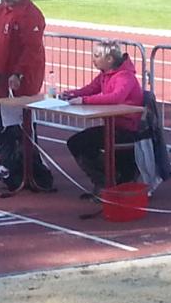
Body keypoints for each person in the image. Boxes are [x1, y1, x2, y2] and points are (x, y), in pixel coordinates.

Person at [0, 0, 53, 190]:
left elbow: (31, 50)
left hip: (20, 82)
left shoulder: (31, 15)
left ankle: (33, 169)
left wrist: (18, 74)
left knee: (21, 126)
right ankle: (8, 164)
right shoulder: (0, 9)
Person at [60, 40, 143, 196]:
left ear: (109, 59)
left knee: (80, 143)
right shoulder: (105, 75)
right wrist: (71, 94)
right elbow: (91, 89)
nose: (93, 59)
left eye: (97, 56)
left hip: (126, 129)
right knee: (78, 142)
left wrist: (84, 101)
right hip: (113, 126)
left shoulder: (125, 76)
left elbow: (116, 97)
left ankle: (107, 181)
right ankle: (105, 180)